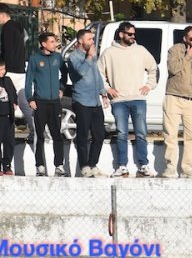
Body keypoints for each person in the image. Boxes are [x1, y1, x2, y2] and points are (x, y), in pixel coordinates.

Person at [99, 22, 158, 178]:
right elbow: (99, 73)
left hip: (138, 99)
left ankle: (143, 165)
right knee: (121, 133)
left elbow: (153, 68)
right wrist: (107, 89)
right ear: (121, 34)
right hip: (119, 101)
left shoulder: (140, 50)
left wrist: (149, 85)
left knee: (141, 133)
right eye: (130, 34)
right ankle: (122, 166)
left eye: (134, 34)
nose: (133, 36)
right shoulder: (109, 52)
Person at [163, 26, 192, 178]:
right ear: (184, 38)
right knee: (170, 134)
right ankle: (170, 167)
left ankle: (187, 168)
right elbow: (173, 69)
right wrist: (188, 55)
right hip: (174, 97)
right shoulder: (174, 50)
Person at [66, 29, 109, 177]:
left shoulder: (92, 56)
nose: (92, 42)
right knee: (83, 135)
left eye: (92, 39)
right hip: (82, 100)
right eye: (89, 39)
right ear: (80, 41)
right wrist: (90, 57)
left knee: (100, 135)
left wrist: (103, 92)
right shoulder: (73, 57)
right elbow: (81, 72)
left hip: (95, 101)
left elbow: (96, 74)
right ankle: (84, 166)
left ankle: (93, 164)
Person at [25, 32, 67, 177]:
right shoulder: (35, 58)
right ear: (44, 44)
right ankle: (40, 166)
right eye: (52, 42)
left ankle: (59, 166)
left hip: (55, 103)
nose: (55, 44)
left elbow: (65, 73)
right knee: (40, 136)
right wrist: (30, 98)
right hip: (40, 103)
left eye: (55, 41)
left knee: (57, 135)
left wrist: (61, 89)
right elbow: (28, 80)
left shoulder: (58, 57)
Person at [0, 4, 33, 151]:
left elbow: (7, 51)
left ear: (2, 14)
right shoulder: (18, 26)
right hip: (21, 70)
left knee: (6, 104)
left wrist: (3, 70)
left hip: (10, 71)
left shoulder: (7, 29)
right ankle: (35, 131)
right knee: (24, 103)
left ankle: (6, 134)